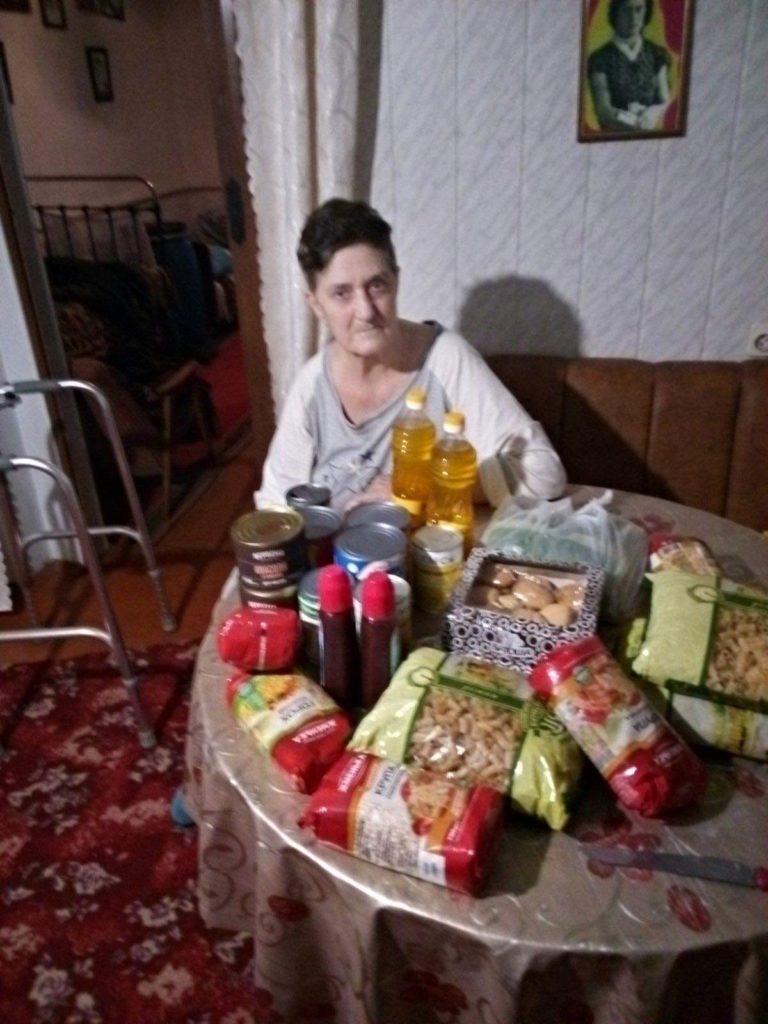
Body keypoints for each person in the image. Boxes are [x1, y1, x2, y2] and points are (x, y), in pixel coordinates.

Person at [256, 198, 566, 513]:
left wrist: (421, 487)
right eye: (341, 293)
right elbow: (275, 503)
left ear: (397, 282)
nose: (365, 311)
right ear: (316, 305)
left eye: (377, 286)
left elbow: (544, 472)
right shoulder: (311, 385)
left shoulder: (444, 359)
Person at [587, 0, 671, 132]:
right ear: (616, 13)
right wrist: (634, 122)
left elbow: (664, 101)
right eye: (626, 10)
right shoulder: (600, 58)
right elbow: (603, 111)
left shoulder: (657, 54)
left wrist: (652, 113)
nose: (633, 17)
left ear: (646, 12)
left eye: (639, 9)